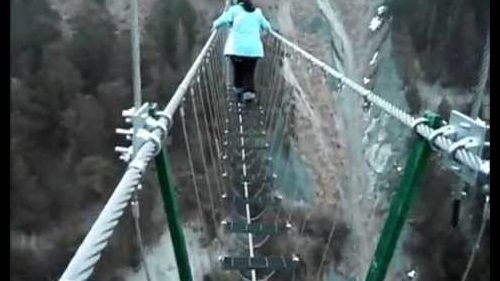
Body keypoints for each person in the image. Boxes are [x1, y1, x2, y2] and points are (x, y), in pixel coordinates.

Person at [212, 0, 272, 103]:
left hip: (236, 49)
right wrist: (264, 31)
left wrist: (214, 25)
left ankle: (238, 91)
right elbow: (267, 26)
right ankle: (249, 93)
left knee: (238, 69)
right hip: (254, 50)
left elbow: (222, 20)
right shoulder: (257, 13)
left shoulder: (234, 11)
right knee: (249, 71)